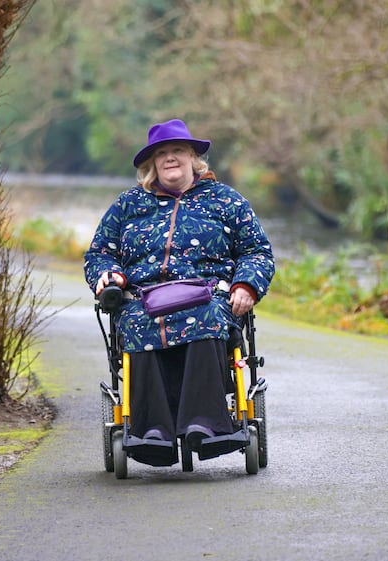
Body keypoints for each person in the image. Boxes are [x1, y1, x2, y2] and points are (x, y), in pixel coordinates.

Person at [84, 118, 274, 464]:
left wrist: (246, 284)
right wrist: (106, 273)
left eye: (178, 151)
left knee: (208, 316)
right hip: (144, 296)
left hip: (207, 293)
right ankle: (151, 430)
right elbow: (99, 253)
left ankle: (205, 424)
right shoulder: (129, 205)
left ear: (193, 158)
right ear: (152, 164)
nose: (170, 158)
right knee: (138, 321)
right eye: (162, 154)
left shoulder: (225, 201)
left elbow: (257, 251)